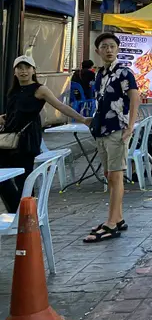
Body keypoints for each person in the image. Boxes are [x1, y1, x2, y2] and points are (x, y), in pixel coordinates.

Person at [0, 56, 92, 213]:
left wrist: (82, 119)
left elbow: (60, 106)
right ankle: (18, 211)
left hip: (26, 140)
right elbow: (14, 113)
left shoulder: (39, 89)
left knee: (23, 179)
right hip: (8, 139)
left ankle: (26, 215)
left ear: (33, 70)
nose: (23, 71)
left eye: (27, 68)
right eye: (19, 68)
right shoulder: (13, 90)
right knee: (4, 177)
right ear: (15, 71)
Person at [84, 33, 141, 243]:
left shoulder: (124, 72)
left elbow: (135, 98)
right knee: (109, 175)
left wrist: (130, 126)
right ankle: (117, 218)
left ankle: (111, 223)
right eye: (104, 47)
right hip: (101, 129)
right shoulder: (100, 74)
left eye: (112, 46)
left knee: (116, 177)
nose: (108, 50)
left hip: (117, 129)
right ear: (97, 51)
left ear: (117, 49)